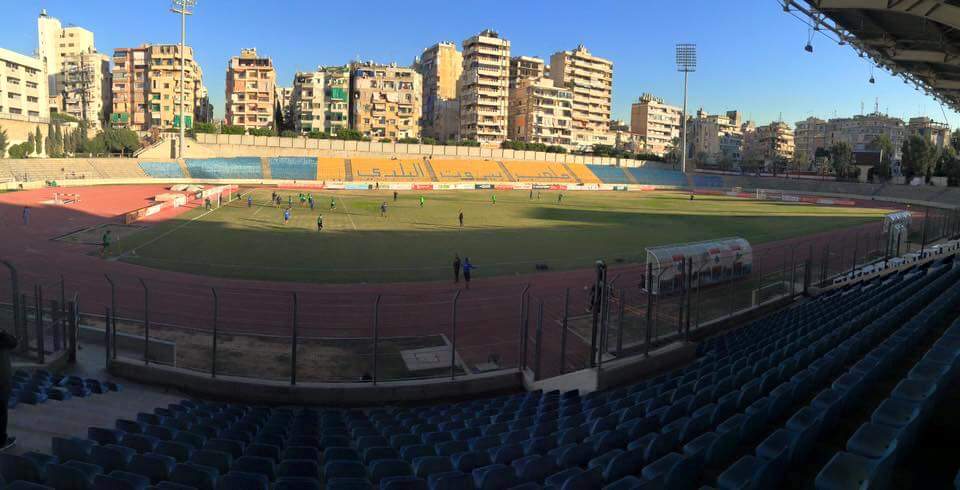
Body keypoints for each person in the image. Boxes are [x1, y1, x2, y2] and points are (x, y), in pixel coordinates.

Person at [0, 328, 18, 450]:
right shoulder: (2, 338)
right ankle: (1, 442)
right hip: (2, 380)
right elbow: (13, 342)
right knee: (1, 410)